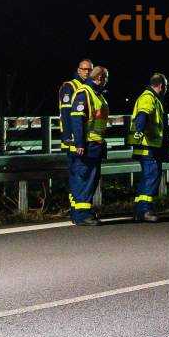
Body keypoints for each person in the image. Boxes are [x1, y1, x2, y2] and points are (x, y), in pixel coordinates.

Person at [58, 60, 109, 224]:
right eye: (84, 69)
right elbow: (72, 117)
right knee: (82, 177)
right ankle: (81, 214)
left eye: (89, 69)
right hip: (83, 142)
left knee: (83, 178)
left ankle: (79, 213)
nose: (87, 72)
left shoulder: (94, 93)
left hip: (92, 142)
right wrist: (76, 141)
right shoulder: (78, 89)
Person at [129, 73, 169, 221]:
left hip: (147, 146)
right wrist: (140, 131)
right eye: (166, 86)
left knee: (147, 177)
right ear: (161, 86)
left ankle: (140, 211)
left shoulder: (151, 98)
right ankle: (145, 211)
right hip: (148, 146)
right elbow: (142, 115)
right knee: (152, 176)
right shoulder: (148, 97)